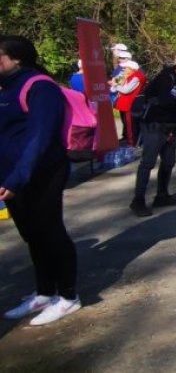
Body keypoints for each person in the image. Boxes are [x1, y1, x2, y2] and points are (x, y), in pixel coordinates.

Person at [0, 36, 82, 325]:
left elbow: (39, 137)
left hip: (42, 173)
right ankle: (45, 292)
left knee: (50, 231)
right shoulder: (5, 88)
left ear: (17, 58)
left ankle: (69, 297)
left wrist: (18, 177)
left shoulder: (40, 86)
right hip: (12, 178)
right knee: (32, 235)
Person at [130, 54, 176, 217]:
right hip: (154, 125)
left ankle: (162, 195)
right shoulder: (166, 77)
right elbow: (165, 102)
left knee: (169, 161)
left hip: (169, 126)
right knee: (148, 162)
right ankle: (138, 200)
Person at [111, 60, 146, 146]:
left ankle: (132, 142)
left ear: (132, 69)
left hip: (130, 104)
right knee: (126, 123)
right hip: (123, 103)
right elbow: (112, 89)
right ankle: (128, 140)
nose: (124, 69)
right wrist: (116, 83)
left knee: (131, 125)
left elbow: (126, 90)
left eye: (126, 68)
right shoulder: (123, 75)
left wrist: (116, 85)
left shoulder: (136, 77)